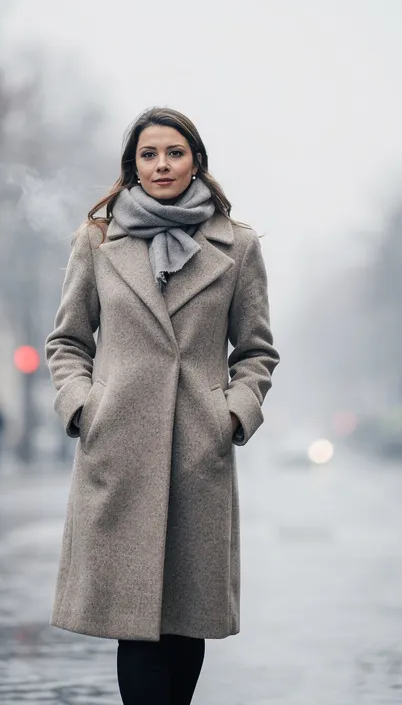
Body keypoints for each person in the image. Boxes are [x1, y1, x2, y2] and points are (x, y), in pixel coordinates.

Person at [45, 107, 279, 704]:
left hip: (197, 457)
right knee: (136, 632)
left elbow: (255, 352)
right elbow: (68, 342)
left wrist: (231, 414)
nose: (162, 165)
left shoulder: (238, 246)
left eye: (174, 152)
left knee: (184, 625)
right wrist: (83, 407)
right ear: (133, 167)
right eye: (148, 155)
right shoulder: (96, 242)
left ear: (195, 159)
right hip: (119, 452)